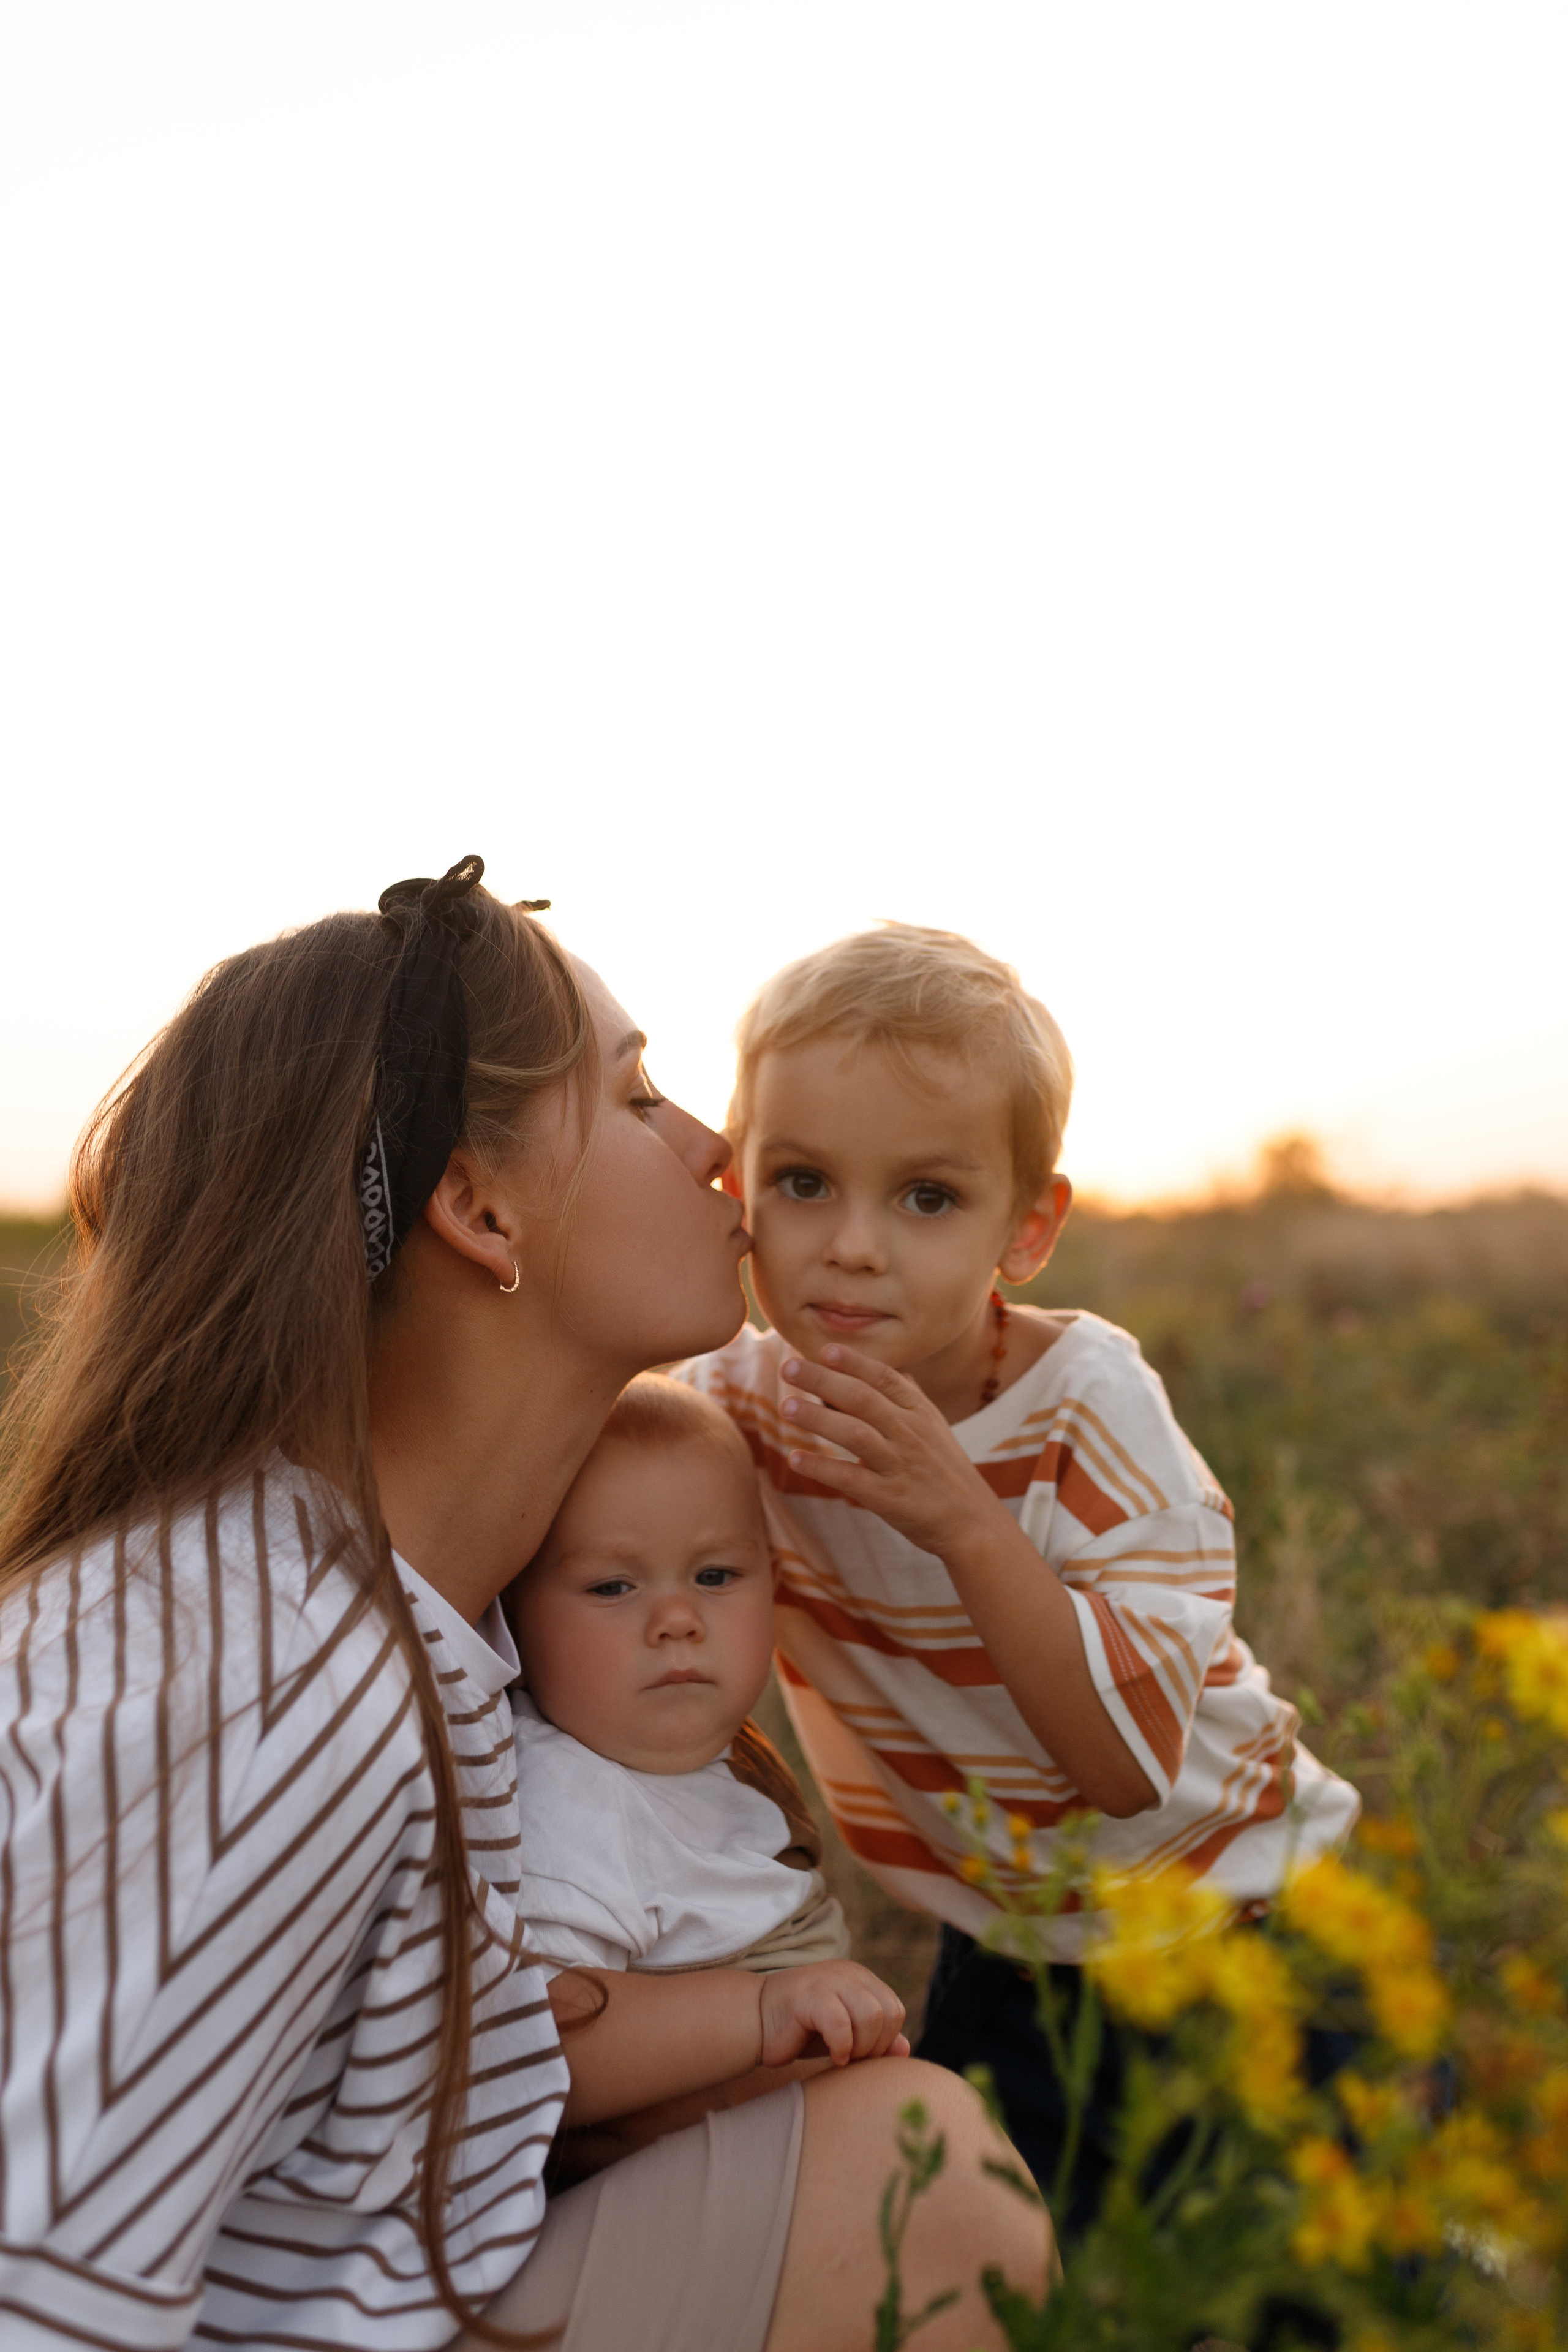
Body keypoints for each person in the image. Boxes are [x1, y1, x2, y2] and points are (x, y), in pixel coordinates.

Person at [0, 866, 1048, 2352]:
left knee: (906, 2158)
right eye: (636, 1100)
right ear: (477, 1205)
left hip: (383, 2274)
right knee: (925, 2184)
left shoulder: (431, 1607)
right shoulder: (283, 1689)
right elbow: (38, 2282)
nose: (716, 1151)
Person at [678, 921, 1362, 2233]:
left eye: (926, 1197)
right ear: (738, 1190)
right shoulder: (730, 1413)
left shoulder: (1083, 1405)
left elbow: (1121, 1767)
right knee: (1016, 2277)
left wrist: (964, 1522)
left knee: (1324, 2278)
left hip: (1242, 1918)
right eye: (804, 1182)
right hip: (1003, 1940)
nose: (852, 1245)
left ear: (1026, 1225)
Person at [508, 1374, 855, 1981]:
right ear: (510, 1613)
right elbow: (562, 2041)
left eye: (715, 1577)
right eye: (612, 1587)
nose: (678, 1621)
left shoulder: (719, 1754)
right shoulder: (566, 1813)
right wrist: (764, 2018)